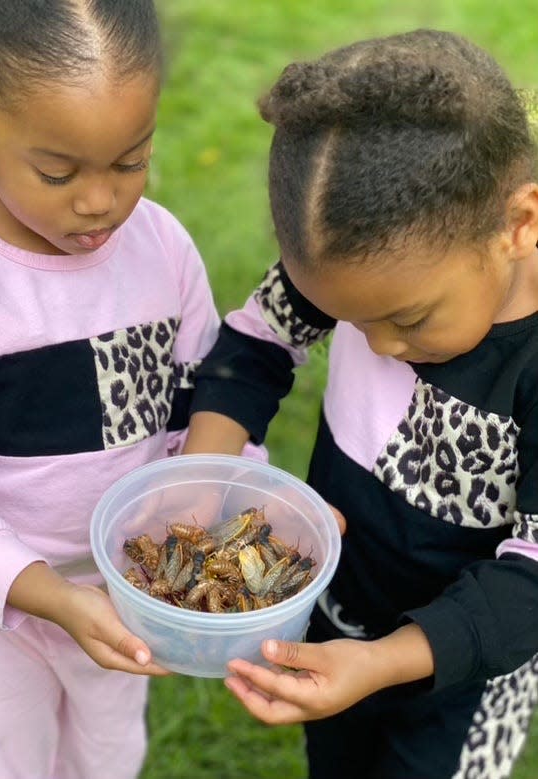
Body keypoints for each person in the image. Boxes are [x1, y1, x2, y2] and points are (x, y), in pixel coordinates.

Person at [182, 29, 538, 779]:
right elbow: (254, 344)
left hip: (459, 681)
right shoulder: (373, 266)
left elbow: (529, 582)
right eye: (345, 318)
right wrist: (204, 474)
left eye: (406, 321)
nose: (375, 346)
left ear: (518, 224)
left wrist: (382, 662)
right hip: (335, 628)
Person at [0, 1, 225, 777]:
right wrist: (48, 596)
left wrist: (230, 493)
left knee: (106, 754)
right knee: (3, 758)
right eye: (57, 171)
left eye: (132, 160)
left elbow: (200, 416)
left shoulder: (163, 249)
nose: (100, 201)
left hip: (129, 588)